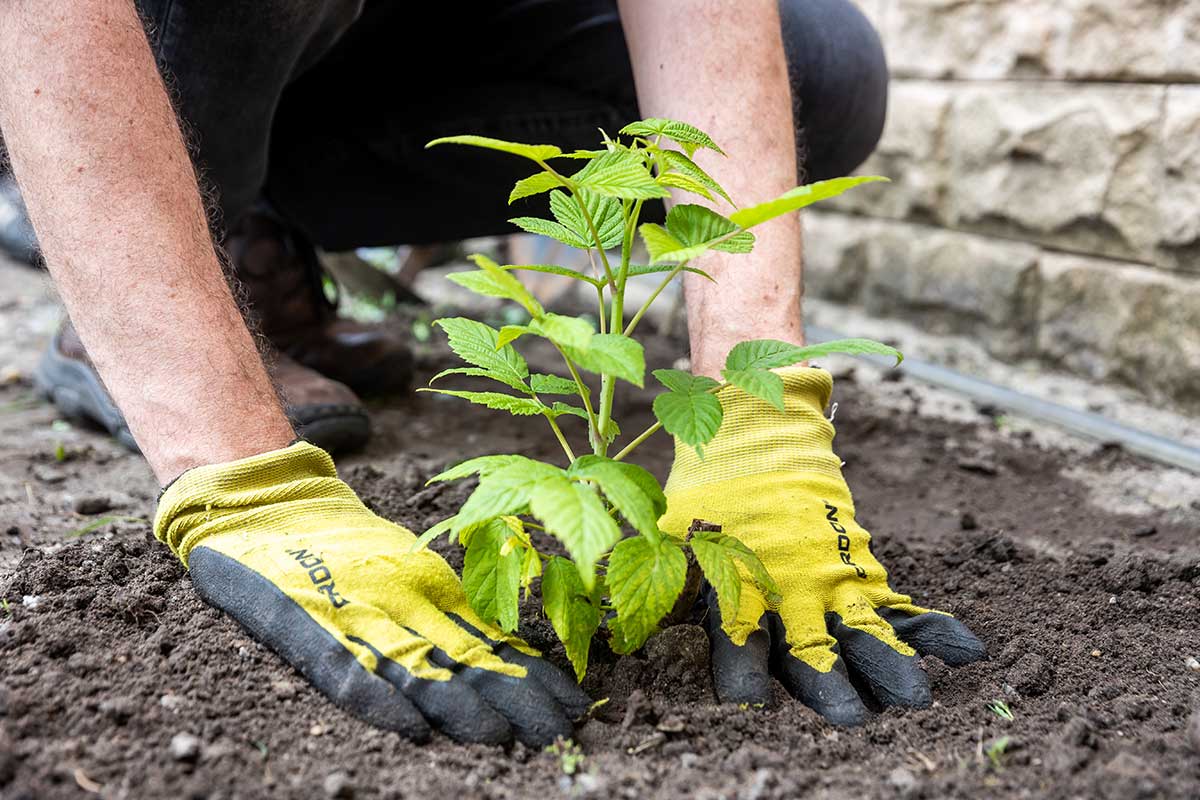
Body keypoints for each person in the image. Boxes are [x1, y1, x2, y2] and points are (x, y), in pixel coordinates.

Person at [0, 0, 984, 746]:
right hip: (96, 58)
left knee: (825, 67)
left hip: (371, 54)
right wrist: (239, 473)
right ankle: (146, 283)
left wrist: (754, 413)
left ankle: (251, 219)